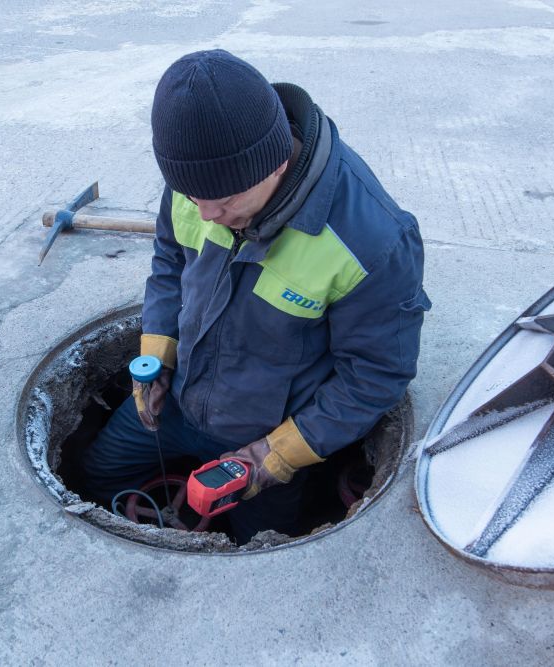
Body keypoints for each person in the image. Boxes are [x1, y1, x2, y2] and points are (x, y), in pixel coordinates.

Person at [81, 50, 430, 543]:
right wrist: (156, 358)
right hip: (177, 402)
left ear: (275, 162)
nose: (204, 215)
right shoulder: (200, 180)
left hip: (262, 436)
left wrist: (274, 456)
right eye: (192, 197)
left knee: (255, 540)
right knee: (98, 474)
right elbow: (170, 264)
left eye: (224, 203)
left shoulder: (372, 242)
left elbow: (375, 376)